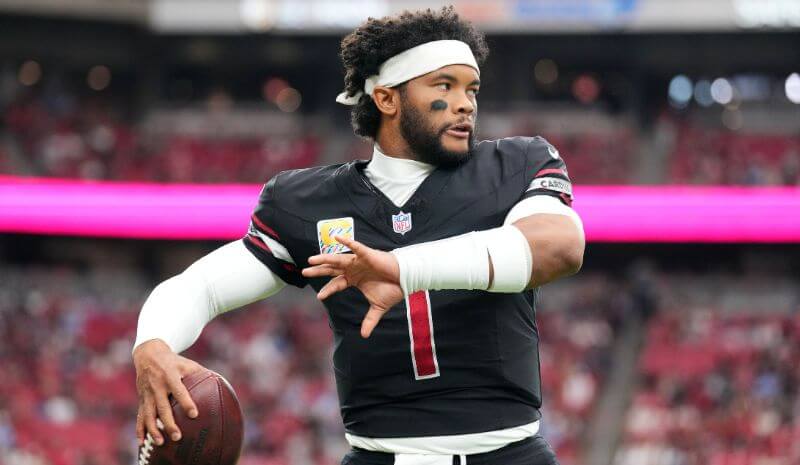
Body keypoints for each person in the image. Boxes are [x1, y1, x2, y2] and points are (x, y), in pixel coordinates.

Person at [133, 7, 585, 465]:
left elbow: (559, 247)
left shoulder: (516, 164)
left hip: (509, 454)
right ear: (387, 99)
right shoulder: (306, 200)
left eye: (471, 89)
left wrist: (400, 267)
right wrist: (152, 343)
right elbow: (202, 287)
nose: (466, 103)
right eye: (444, 86)